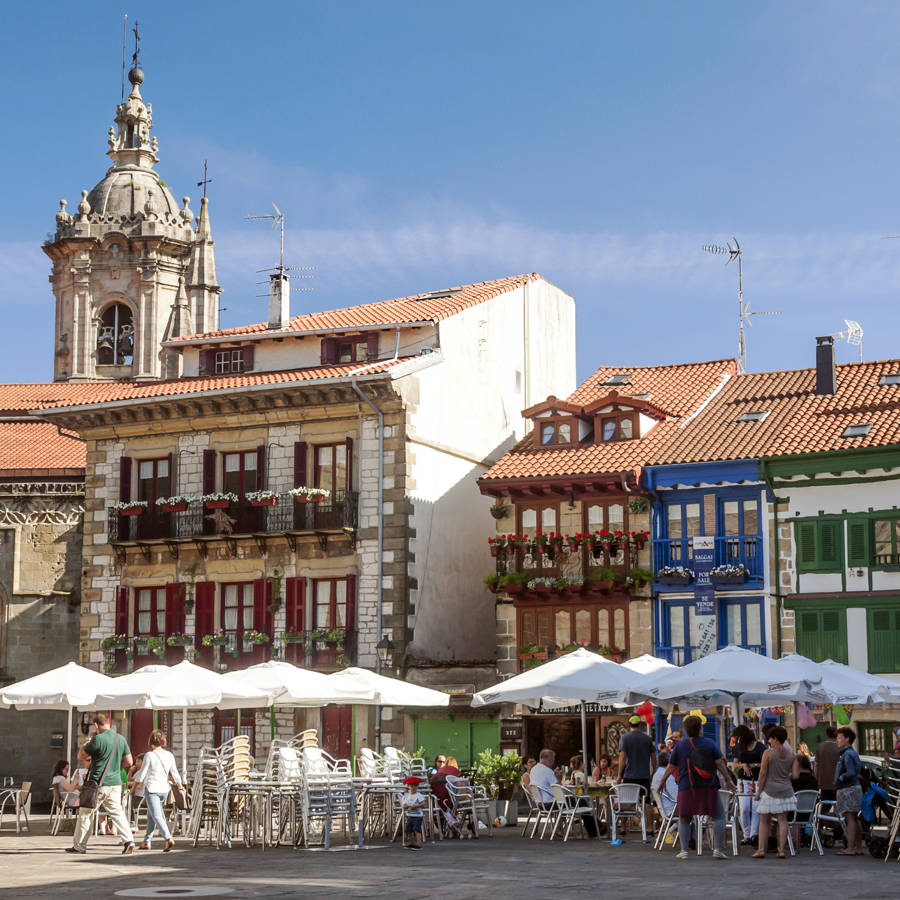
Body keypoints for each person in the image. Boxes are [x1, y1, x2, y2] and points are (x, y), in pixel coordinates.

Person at [662, 714, 736, 860]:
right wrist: (728, 780)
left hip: (686, 787)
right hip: (708, 786)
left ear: (686, 731)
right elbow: (720, 763)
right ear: (700, 729)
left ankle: (684, 851)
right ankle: (717, 849)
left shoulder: (680, 745)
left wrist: (662, 781)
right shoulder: (710, 743)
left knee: (684, 818)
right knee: (719, 816)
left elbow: (671, 766)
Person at [67, 713, 135, 854]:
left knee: (86, 813)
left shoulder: (97, 739)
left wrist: (84, 746)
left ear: (96, 725)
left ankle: (79, 846)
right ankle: (129, 840)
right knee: (117, 812)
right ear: (108, 724)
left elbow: (81, 756)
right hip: (116, 783)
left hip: (98, 782)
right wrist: (115, 769)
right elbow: (130, 762)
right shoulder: (120, 738)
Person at [133, 730, 182, 852]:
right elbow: (175, 773)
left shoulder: (149, 755)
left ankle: (168, 838)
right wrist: (180, 785)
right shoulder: (169, 755)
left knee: (156, 815)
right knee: (151, 815)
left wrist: (134, 782)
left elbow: (142, 774)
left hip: (152, 789)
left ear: (150, 741)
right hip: (165, 790)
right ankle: (146, 841)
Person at [753, 724, 796, 859]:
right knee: (783, 820)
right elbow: (793, 774)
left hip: (770, 790)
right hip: (786, 790)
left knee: (764, 821)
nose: (768, 741)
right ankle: (781, 850)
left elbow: (763, 774)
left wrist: (758, 792)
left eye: (770, 738)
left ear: (775, 738)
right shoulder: (791, 754)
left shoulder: (768, 753)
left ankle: (761, 850)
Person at [732, 725, 764, 845]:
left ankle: (753, 835)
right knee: (744, 808)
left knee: (756, 809)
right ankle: (746, 835)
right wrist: (743, 765)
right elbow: (735, 765)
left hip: (757, 780)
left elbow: (765, 763)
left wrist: (753, 765)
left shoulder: (760, 746)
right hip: (743, 781)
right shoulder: (739, 747)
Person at [834, 725, 863, 856]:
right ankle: (858, 847)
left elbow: (850, 772)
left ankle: (850, 848)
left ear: (847, 739)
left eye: (840, 738)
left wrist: (841, 777)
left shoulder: (847, 754)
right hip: (855, 787)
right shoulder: (853, 753)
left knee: (850, 818)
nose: (838, 740)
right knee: (855, 818)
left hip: (848, 788)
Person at [617, 714, 657, 794]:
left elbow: (622, 758)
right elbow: (653, 757)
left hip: (629, 777)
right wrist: (654, 772)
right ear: (639, 724)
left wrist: (619, 775)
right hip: (644, 777)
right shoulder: (648, 738)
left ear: (629, 724)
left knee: (630, 803)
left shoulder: (625, 738)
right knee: (645, 803)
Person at [814, 726, 840, 802]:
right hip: (836, 782)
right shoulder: (839, 747)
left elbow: (816, 765)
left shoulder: (820, 747)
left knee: (824, 806)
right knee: (838, 807)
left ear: (826, 734)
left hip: (823, 783)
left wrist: (816, 780)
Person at [401, 776, 426, 849]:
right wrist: (405, 806)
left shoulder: (419, 795)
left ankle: (419, 844)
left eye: (415, 785)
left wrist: (416, 806)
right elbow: (404, 805)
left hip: (417, 816)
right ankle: (412, 843)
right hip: (410, 815)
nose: (413, 787)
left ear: (417, 786)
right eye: (411, 786)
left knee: (417, 830)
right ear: (408, 787)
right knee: (408, 830)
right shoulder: (407, 796)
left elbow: (423, 804)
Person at [651, 751, 678, 818]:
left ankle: (673, 828)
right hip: (672, 809)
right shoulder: (666, 776)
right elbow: (677, 796)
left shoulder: (657, 774)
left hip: (665, 809)